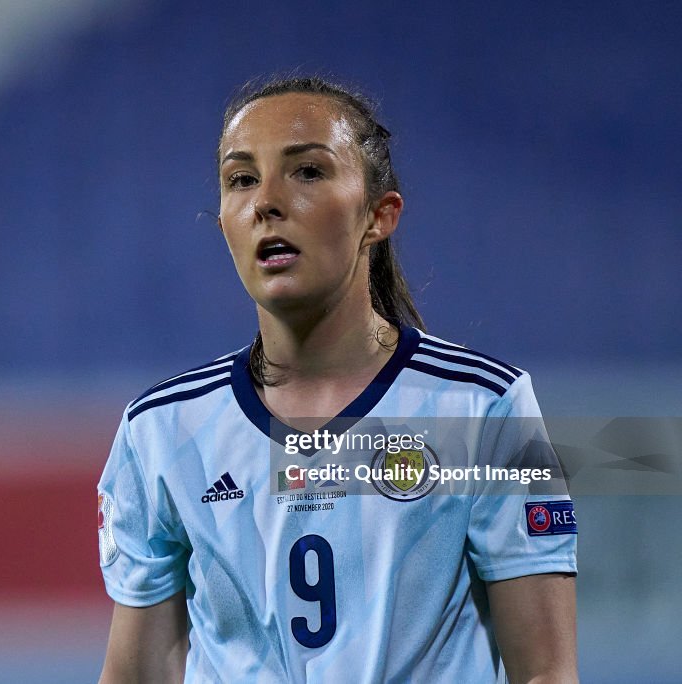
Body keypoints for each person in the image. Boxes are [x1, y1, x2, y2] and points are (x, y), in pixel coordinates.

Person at [96, 76, 577, 683]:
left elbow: (546, 673)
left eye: (307, 172)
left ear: (379, 215)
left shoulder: (483, 407)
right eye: (241, 179)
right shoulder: (161, 431)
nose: (266, 201)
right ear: (223, 223)